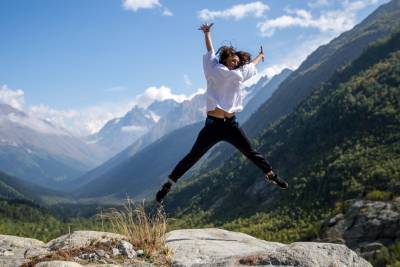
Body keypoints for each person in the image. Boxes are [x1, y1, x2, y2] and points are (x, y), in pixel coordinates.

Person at [155, 23, 288, 203]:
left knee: (251, 152)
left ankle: (271, 175)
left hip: (231, 125)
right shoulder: (212, 68)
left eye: (238, 62)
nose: (236, 63)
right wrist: (207, 33)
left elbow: (251, 66)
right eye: (234, 60)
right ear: (226, 58)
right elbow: (210, 50)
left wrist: (260, 56)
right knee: (193, 156)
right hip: (213, 126)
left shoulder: (239, 73)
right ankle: (168, 184)